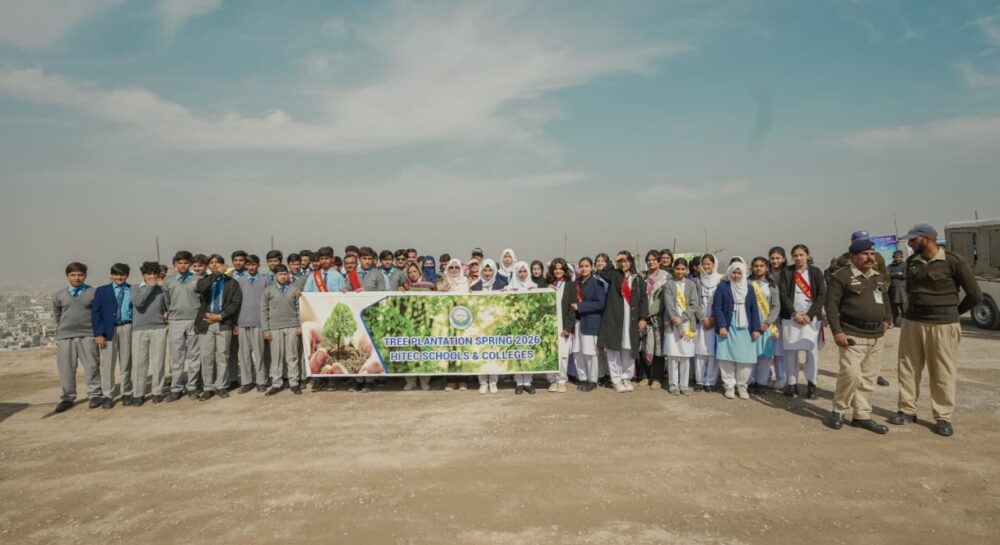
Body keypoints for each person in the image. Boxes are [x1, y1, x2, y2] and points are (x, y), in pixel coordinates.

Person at [890, 224, 982, 437]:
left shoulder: (953, 261)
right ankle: (906, 410)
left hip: (942, 324)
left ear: (927, 239)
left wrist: (954, 314)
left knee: (941, 371)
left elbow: (975, 295)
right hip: (913, 322)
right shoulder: (912, 262)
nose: (910, 244)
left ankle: (942, 416)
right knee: (908, 367)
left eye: (913, 240)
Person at [825, 236, 893, 434]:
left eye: (872, 253)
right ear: (854, 257)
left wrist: (888, 317)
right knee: (851, 375)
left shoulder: (877, 276)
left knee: (868, 379)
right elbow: (831, 305)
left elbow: (884, 298)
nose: (871, 257)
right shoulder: (842, 277)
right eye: (865, 254)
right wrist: (837, 332)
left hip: (876, 336)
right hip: (852, 334)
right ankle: (839, 410)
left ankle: (862, 415)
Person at [51, 262, 102, 413]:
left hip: (88, 335)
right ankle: (67, 398)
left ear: (85, 276)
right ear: (67, 276)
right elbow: (58, 316)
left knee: (92, 366)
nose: (76, 278)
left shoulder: (94, 292)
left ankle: (95, 395)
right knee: (66, 368)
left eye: (80, 274)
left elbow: (98, 314)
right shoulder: (59, 295)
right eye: (73, 275)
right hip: (65, 336)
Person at [778, 244, 826, 399]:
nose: (798, 258)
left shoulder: (816, 272)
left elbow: (821, 295)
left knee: (811, 352)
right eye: (795, 255)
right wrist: (794, 313)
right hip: (792, 318)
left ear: (807, 255)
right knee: (791, 352)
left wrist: (810, 315)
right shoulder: (787, 272)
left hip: (810, 320)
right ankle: (791, 384)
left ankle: (812, 384)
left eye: (801, 255)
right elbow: (783, 294)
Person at [597, 251, 648, 393]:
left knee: (628, 349)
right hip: (615, 318)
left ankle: (626, 377)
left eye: (626, 261)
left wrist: (643, 317)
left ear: (631, 262)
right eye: (621, 262)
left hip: (631, 319)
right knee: (614, 350)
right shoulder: (614, 275)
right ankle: (616, 379)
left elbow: (643, 299)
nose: (623, 264)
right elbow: (602, 273)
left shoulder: (638, 278)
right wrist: (613, 260)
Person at [194, 255, 242, 401]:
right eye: (212, 263)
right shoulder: (205, 280)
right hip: (206, 323)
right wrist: (215, 275)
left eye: (218, 263)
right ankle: (208, 387)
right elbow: (200, 289)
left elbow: (235, 303)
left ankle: (221, 386)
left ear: (224, 265)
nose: (215, 265)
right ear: (209, 266)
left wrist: (220, 316)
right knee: (207, 356)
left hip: (223, 323)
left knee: (223, 355)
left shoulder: (232, 283)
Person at [713, 260, 762, 400]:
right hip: (728, 325)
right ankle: (729, 386)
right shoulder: (723, 286)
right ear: (729, 272)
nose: (736, 275)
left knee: (745, 359)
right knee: (726, 357)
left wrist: (756, 329)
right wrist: (722, 325)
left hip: (745, 328)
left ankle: (742, 386)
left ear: (744, 273)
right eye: (734, 272)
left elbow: (754, 310)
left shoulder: (750, 288)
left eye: (739, 272)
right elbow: (718, 307)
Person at [163, 251, 203, 401]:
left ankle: (192, 387)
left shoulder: (198, 279)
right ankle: (176, 388)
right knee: (177, 356)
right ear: (175, 264)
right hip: (176, 321)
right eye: (179, 263)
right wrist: (170, 313)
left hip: (194, 320)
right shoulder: (169, 281)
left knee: (194, 355)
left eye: (186, 263)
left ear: (191, 264)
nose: (183, 265)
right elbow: (167, 300)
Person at [92, 263, 133, 409]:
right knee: (108, 364)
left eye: (122, 274)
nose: (119, 277)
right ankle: (108, 395)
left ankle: (126, 392)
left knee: (126, 362)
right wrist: (98, 333)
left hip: (127, 327)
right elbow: (96, 313)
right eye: (116, 274)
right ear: (111, 275)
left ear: (127, 275)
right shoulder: (102, 291)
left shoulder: (132, 290)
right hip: (108, 331)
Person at [131, 262, 169, 405]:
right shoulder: (135, 289)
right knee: (139, 363)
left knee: (158, 361)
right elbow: (139, 302)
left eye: (154, 274)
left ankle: (157, 392)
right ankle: (138, 394)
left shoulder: (162, 289)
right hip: (139, 329)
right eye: (149, 274)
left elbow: (167, 305)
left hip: (158, 328)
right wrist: (150, 287)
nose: (152, 276)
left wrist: (167, 313)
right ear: (143, 275)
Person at [262, 265, 302, 396]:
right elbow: (264, 310)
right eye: (280, 274)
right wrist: (266, 329)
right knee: (276, 357)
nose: (283, 276)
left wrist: (299, 326)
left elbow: (299, 309)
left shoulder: (294, 289)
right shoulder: (268, 290)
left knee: (292, 356)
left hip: (292, 326)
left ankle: (294, 383)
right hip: (274, 328)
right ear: (275, 275)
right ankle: (276, 383)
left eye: (285, 274)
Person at [662, 258, 699, 395]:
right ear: (674, 269)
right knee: (673, 357)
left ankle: (684, 385)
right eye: (677, 269)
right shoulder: (669, 285)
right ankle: (673, 384)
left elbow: (694, 305)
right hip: (672, 325)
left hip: (688, 324)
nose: (680, 271)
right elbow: (669, 305)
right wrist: (677, 322)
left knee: (685, 356)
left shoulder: (691, 284)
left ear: (687, 270)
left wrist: (682, 318)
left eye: (683, 269)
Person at [471, 259, 507, 393]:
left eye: (490, 270)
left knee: (494, 353)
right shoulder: (475, 286)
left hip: (495, 325)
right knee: (480, 353)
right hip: (479, 325)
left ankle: (493, 382)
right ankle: (482, 383)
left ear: (494, 271)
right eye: (485, 270)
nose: (487, 273)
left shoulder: (501, 285)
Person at [571, 257, 606, 392]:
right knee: (578, 352)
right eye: (582, 266)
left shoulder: (598, 283)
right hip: (577, 322)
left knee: (590, 353)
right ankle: (583, 378)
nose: (584, 268)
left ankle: (592, 380)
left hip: (590, 322)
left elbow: (600, 304)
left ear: (591, 268)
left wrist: (581, 306)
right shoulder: (576, 283)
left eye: (587, 266)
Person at [236, 255, 269, 394]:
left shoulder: (265, 280)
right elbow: (235, 302)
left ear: (258, 265)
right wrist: (235, 323)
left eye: (254, 264)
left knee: (259, 352)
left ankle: (261, 380)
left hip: (259, 321)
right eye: (248, 265)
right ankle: (247, 381)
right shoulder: (239, 281)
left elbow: (270, 300)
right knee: (244, 354)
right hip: (242, 321)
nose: (251, 267)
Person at [437, 258, 470, 392]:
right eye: (451, 268)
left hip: (465, 321)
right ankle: (450, 381)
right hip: (447, 322)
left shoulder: (466, 282)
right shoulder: (442, 283)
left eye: (457, 267)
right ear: (447, 269)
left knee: (463, 351)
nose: (454, 270)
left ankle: (463, 381)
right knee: (449, 351)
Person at [748, 257, 780, 395]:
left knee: (765, 355)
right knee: (750, 354)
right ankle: (750, 381)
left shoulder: (771, 286)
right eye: (756, 266)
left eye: (761, 266)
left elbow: (775, 306)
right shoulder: (746, 283)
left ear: (767, 268)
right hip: (750, 324)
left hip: (765, 325)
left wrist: (767, 322)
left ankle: (761, 382)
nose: (758, 268)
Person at [505, 261, 538, 394]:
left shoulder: (534, 286)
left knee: (528, 353)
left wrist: (536, 292)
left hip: (530, 326)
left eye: (525, 271)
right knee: (518, 353)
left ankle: (528, 382)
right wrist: (506, 292)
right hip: (515, 326)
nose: (522, 274)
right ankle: (519, 382)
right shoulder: (510, 286)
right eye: (520, 271)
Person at [638, 249, 669, 389]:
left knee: (658, 348)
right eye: (648, 260)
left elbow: (665, 299)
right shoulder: (641, 276)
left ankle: (657, 378)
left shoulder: (666, 277)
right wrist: (642, 316)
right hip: (642, 318)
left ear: (659, 261)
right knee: (643, 347)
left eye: (653, 260)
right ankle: (644, 376)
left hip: (659, 319)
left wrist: (650, 314)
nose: (651, 262)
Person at [693, 253, 722, 392]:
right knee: (700, 352)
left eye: (709, 264)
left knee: (712, 353)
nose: (706, 266)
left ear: (714, 264)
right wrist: (702, 318)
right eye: (703, 264)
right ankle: (699, 381)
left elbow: (723, 302)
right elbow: (695, 302)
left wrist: (714, 318)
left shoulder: (721, 280)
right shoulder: (697, 281)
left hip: (715, 321)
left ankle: (710, 381)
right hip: (701, 321)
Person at [545, 258, 575, 393]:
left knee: (563, 355)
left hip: (563, 326)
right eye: (555, 268)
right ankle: (552, 380)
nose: (558, 271)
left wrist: (568, 327)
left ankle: (561, 380)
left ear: (565, 270)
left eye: (560, 268)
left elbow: (571, 308)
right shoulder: (547, 284)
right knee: (550, 354)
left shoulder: (570, 285)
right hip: (549, 327)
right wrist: (546, 290)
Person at [768, 246, 788, 390]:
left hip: (782, 317)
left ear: (783, 259)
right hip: (766, 316)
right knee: (766, 349)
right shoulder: (764, 273)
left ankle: (781, 377)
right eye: (772, 258)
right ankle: (766, 376)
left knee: (780, 350)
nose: (775, 261)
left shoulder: (788, 274)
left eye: (778, 258)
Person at [887, 250, 907, 327]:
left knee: (904, 307)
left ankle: (907, 323)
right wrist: (898, 274)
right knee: (893, 307)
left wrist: (893, 275)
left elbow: (905, 275)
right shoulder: (890, 266)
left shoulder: (905, 265)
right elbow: (887, 274)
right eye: (895, 257)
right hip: (892, 289)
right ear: (893, 258)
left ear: (902, 257)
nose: (897, 259)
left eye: (899, 257)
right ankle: (895, 322)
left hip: (902, 289)